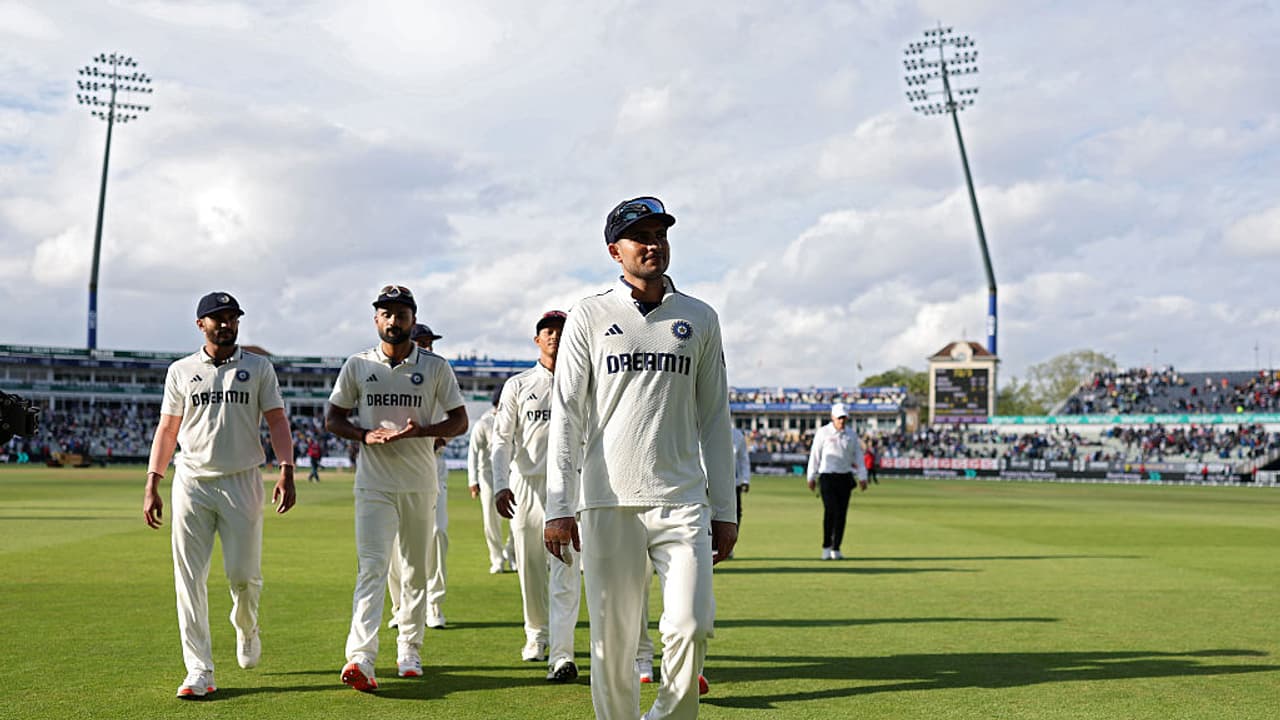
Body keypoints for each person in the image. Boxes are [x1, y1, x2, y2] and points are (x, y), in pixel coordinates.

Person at [545, 196, 736, 720]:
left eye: (660, 234)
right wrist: (559, 504)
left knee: (691, 623)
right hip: (608, 499)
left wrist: (726, 509)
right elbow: (567, 413)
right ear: (615, 250)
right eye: (640, 236)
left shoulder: (699, 317)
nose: (654, 244)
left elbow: (715, 417)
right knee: (613, 640)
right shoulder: (589, 314)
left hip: (682, 500)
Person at [142, 291, 297, 699]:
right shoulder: (181, 370)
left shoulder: (258, 368)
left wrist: (287, 469)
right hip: (191, 481)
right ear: (201, 325)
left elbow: (277, 420)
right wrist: (153, 481)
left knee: (242, 577)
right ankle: (199, 669)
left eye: (233, 317)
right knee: (188, 579)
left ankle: (246, 627)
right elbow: (168, 429)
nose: (227, 324)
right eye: (218, 318)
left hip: (242, 480)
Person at [324, 285, 467, 691]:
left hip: (420, 484)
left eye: (400, 314)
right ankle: (361, 657)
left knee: (416, 571)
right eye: (385, 314)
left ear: (412, 318)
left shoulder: (436, 367)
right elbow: (333, 418)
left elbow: (459, 421)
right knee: (372, 568)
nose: (393, 321)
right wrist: (363, 435)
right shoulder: (357, 365)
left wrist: (425, 431)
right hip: (374, 484)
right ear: (376, 320)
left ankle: (409, 648)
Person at [492, 310, 583, 682]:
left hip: (570, 487)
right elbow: (501, 438)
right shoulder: (519, 384)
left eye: (561, 331)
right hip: (527, 485)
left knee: (566, 568)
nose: (555, 337)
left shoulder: (582, 381)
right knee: (530, 567)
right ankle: (536, 633)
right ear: (537, 339)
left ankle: (562, 655)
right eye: (548, 331)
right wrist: (500, 482)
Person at [387, 323, 453, 630]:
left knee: (437, 533)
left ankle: (433, 604)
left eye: (430, 342)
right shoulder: (391, 376)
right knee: (395, 540)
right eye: (422, 342)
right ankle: (400, 605)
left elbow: (454, 418)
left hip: (432, 465)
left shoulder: (440, 374)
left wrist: (441, 437)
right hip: (395, 467)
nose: (427, 347)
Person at [806, 403, 868, 560]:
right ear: (832, 417)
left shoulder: (851, 435)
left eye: (844, 418)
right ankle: (826, 546)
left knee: (842, 514)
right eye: (839, 417)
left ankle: (836, 548)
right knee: (830, 511)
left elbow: (858, 457)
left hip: (845, 477)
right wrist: (811, 476)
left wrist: (863, 477)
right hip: (827, 476)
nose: (842, 420)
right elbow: (815, 455)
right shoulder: (823, 433)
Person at [468, 385, 515, 574]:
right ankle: (497, 559)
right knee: (491, 520)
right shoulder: (484, 423)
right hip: (487, 476)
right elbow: (473, 452)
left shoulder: (515, 419)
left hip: (513, 474)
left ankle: (512, 555)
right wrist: (473, 481)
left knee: (518, 519)